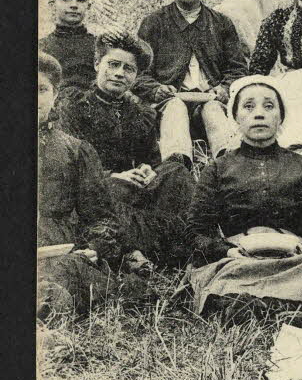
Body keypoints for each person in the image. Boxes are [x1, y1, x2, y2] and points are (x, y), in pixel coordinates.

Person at [184, 75, 302, 322]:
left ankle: (261, 305)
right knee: (214, 273)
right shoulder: (218, 168)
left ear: (280, 117)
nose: (259, 114)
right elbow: (196, 232)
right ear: (236, 118)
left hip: (296, 260)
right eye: (249, 106)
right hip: (240, 262)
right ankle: (291, 304)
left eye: (268, 106)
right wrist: (227, 252)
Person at [54, 32, 196, 269]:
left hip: (135, 191)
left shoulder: (140, 113)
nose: (119, 73)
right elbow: (69, 165)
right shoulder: (75, 106)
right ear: (97, 64)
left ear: (136, 76)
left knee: (176, 172)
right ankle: (134, 252)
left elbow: (151, 158)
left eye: (128, 69)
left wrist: (148, 170)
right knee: (108, 197)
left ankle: (174, 247)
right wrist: (113, 176)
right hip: (96, 191)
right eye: (113, 65)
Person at [37, 52, 139, 319]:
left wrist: (94, 247)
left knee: (68, 274)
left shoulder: (74, 150)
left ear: (55, 94)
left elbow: (100, 215)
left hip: (55, 250)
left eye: (40, 89)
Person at [136, 0, 246, 164]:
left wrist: (224, 88)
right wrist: (156, 89)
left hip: (210, 99)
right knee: (176, 109)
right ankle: (177, 165)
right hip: (170, 101)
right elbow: (139, 72)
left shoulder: (222, 23)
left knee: (213, 111)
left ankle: (229, 164)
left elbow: (238, 68)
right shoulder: (154, 23)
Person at [39, 0, 100, 93]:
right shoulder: (41, 47)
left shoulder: (100, 46)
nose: (74, 5)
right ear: (52, 3)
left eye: (81, 0)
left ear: (89, 6)